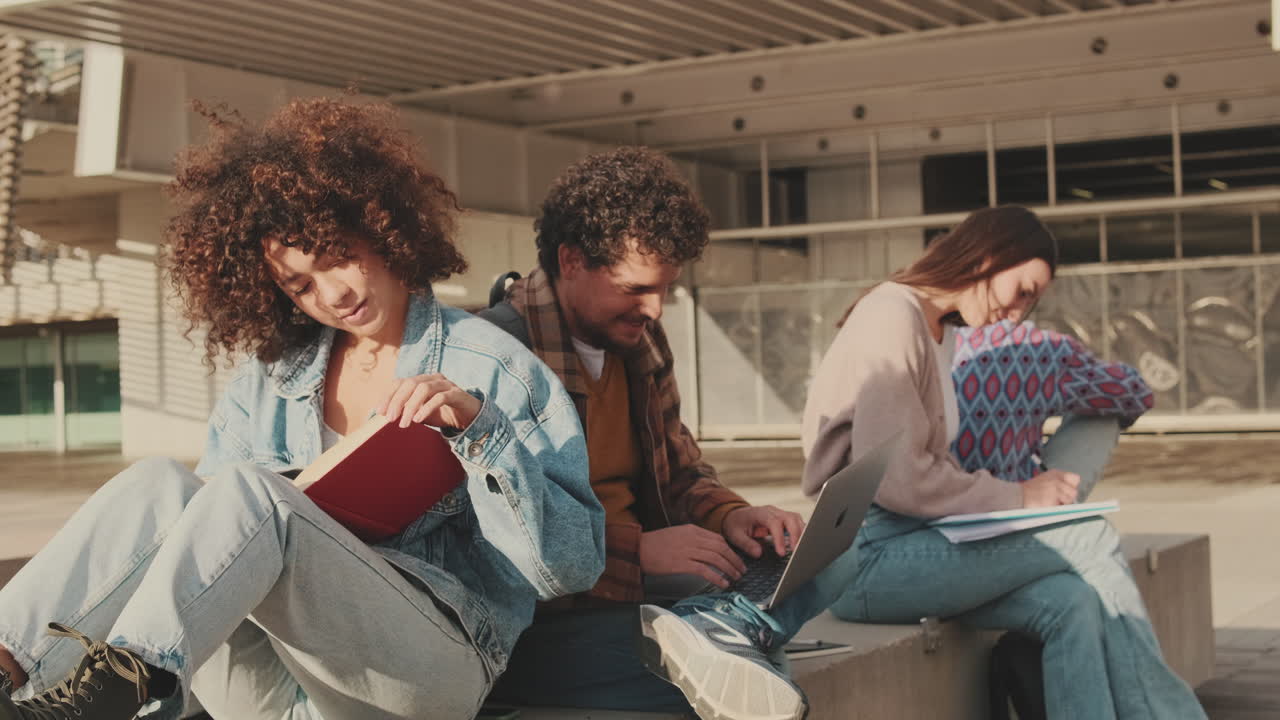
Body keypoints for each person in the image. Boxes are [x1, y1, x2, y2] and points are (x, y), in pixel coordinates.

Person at [0, 98, 604, 720]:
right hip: (273, 687)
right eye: (301, 285)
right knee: (159, 484)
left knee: (253, 493)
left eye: (339, 254)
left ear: (382, 224)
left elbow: (568, 570)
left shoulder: (492, 366)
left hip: (422, 673)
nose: (334, 294)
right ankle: (10, 673)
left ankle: (98, 704)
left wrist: (482, 432)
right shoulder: (264, 384)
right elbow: (199, 552)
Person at [805, 205, 1206, 719]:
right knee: (1092, 537)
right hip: (864, 562)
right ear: (989, 259)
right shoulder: (892, 316)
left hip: (912, 543)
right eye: (1022, 291)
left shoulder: (937, 329)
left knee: (1072, 601)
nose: (1019, 313)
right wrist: (1021, 496)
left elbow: (921, 475)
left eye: (1032, 302)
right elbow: (900, 482)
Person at [481, 147, 814, 720]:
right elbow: (500, 541)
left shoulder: (639, 344)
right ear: (571, 260)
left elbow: (681, 474)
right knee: (743, 692)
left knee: (830, 563)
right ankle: (727, 633)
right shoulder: (497, 357)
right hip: (549, 621)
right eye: (637, 289)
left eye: (664, 288)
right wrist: (641, 552)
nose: (656, 309)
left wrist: (731, 516)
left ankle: (723, 628)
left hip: (651, 588)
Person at [952, 319, 1155, 498]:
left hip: (940, 507)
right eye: (1025, 292)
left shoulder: (932, 337)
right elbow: (1135, 394)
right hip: (1012, 507)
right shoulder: (1037, 347)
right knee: (1102, 412)